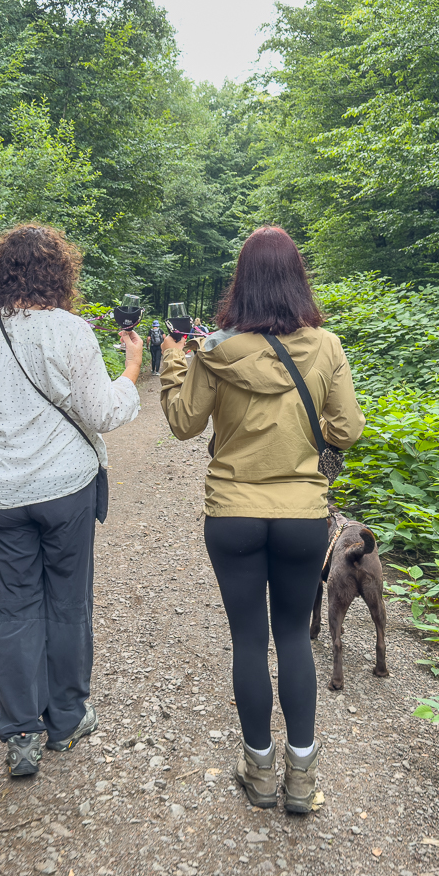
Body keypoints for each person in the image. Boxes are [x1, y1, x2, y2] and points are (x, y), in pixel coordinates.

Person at [158, 226, 364, 813]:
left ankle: (260, 771)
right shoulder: (326, 347)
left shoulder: (216, 350)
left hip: (232, 515)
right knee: (293, 639)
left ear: (240, 282)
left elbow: (183, 423)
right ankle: (302, 777)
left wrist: (175, 364)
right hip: (302, 516)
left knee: (248, 642)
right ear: (298, 278)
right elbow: (347, 430)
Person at [0, 223, 144, 777]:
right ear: (59, 272)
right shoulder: (70, 331)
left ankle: (21, 729)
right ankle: (67, 717)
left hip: (2, 497)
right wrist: (131, 370)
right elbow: (102, 413)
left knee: (12, 605)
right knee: (68, 601)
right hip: (66, 491)